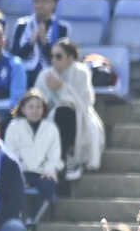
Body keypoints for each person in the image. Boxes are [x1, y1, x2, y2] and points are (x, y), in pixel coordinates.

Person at [35, 37, 103, 178]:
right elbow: (37, 101)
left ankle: (71, 156)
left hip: (80, 115)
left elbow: (83, 102)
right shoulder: (45, 75)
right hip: (51, 115)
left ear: (70, 58)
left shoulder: (81, 72)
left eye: (59, 56)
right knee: (58, 113)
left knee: (65, 111)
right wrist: (53, 93)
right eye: (51, 56)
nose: (54, 60)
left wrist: (60, 90)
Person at [5, 88, 59, 215]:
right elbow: (9, 154)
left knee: (49, 185)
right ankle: (22, 215)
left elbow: (54, 154)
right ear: (23, 109)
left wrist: (49, 170)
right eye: (31, 107)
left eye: (38, 107)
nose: (35, 110)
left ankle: (33, 219)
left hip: (42, 173)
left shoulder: (51, 128)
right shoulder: (14, 127)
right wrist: (18, 174)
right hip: (21, 172)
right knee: (13, 186)